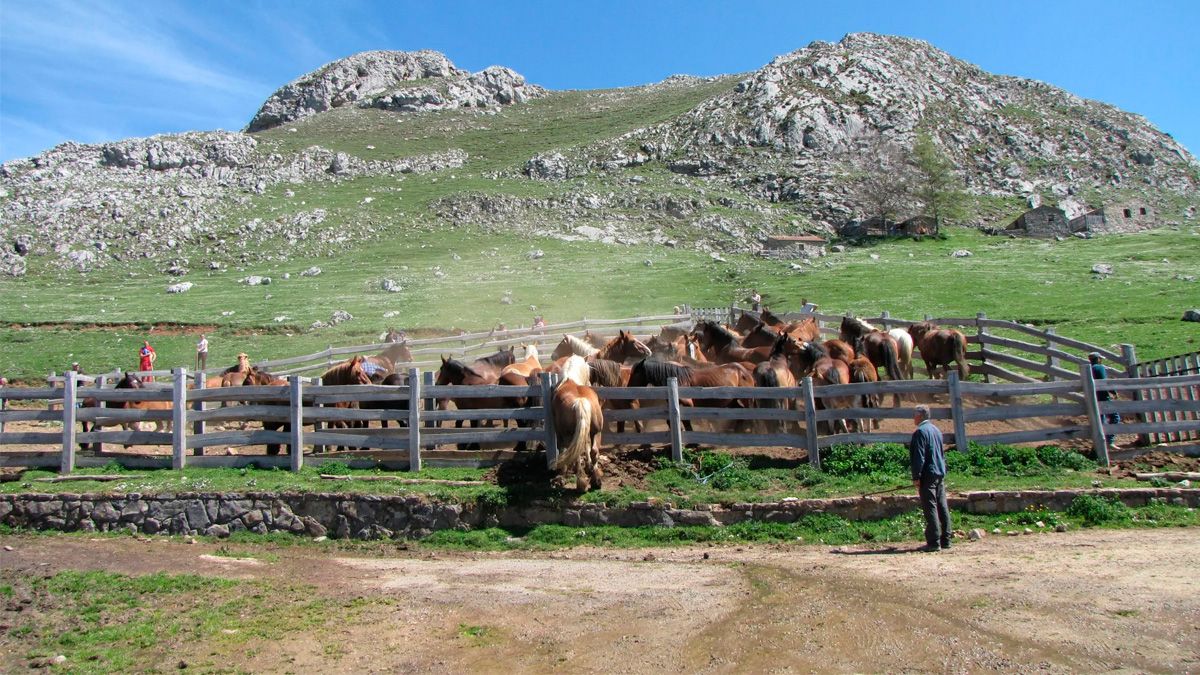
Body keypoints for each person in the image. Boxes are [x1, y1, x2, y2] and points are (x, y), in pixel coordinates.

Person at [910, 404, 951, 552]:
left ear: (920, 416)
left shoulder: (920, 432)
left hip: (928, 474)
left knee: (930, 506)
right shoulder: (936, 430)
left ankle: (934, 542)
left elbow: (918, 457)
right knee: (942, 505)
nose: (913, 417)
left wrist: (916, 476)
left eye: (915, 414)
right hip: (939, 471)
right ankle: (946, 539)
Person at [1089, 352, 1121, 450]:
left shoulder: (1088, 369)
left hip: (1093, 397)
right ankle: (1109, 441)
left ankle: (1099, 442)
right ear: (1098, 359)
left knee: (1100, 420)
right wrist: (1113, 392)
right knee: (1115, 418)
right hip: (1103, 397)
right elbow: (1104, 382)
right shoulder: (1099, 368)